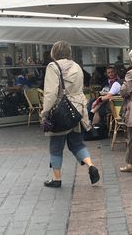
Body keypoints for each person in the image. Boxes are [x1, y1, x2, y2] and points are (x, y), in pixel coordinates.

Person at [40, 41, 99, 188]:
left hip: (61, 111)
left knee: (56, 145)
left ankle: (56, 178)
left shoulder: (53, 67)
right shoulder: (77, 66)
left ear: (54, 52)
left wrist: (45, 112)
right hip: (77, 111)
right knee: (77, 143)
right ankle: (91, 165)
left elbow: (51, 93)